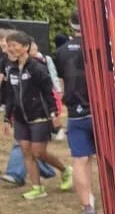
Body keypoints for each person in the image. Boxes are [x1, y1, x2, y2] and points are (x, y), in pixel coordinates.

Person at [0, 30, 70, 199]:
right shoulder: (10, 68)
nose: (10, 49)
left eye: (14, 45)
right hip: (20, 117)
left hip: (39, 115)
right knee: (26, 152)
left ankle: (65, 170)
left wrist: (54, 114)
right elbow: (11, 95)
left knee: (38, 152)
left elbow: (48, 92)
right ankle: (37, 188)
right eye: (9, 46)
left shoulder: (37, 67)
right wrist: (7, 117)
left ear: (25, 47)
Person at [55, 11, 101, 214]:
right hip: (99, 113)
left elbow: (62, 84)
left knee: (81, 160)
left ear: (70, 24)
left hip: (75, 113)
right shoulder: (98, 48)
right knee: (108, 161)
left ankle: (88, 209)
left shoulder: (61, 52)